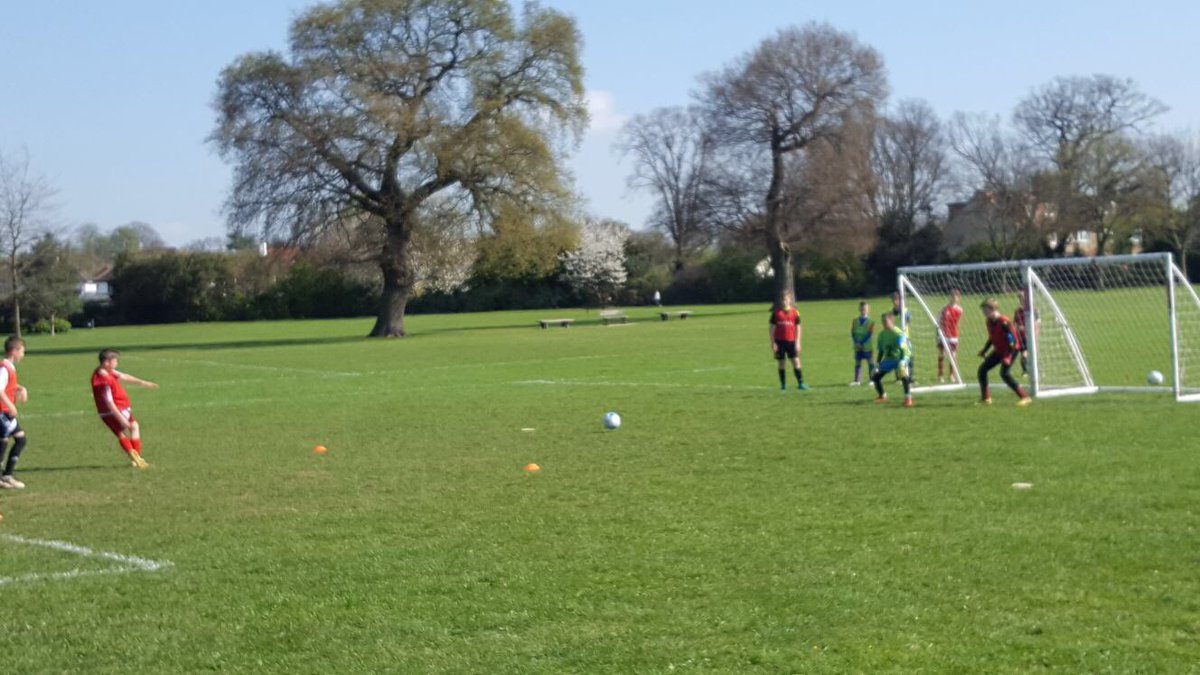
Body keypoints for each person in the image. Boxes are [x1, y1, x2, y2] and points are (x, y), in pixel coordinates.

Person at [91, 348, 158, 468]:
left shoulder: (108, 372)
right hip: (112, 411)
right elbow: (109, 401)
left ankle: (136, 459)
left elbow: (124, 376)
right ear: (106, 362)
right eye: (114, 360)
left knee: (134, 426)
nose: (117, 363)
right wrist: (121, 418)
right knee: (121, 433)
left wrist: (142, 382)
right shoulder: (103, 380)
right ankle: (137, 459)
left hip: (122, 407)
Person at [978, 299, 1032, 406]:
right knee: (982, 370)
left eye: (985, 310)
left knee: (1004, 374)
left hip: (1011, 350)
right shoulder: (989, 321)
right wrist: (984, 350)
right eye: (983, 310)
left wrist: (1008, 356)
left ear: (993, 309)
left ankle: (1025, 397)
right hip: (999, 350)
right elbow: (992, 337)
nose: (983, 312)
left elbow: (1012, 340)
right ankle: (986, 399)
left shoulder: (1004, 321)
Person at [0, 336, 29, 489]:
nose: (23, 355)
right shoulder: (4, 367)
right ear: (14, 351)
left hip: (4, 411)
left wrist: (20, 388)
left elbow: (8, 385)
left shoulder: (9, 367)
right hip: (2, 412)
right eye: (22, 351)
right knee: (18, 439)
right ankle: (6, 476)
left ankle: (5, 476)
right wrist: (10, 405)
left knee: (6, 440)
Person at [871, 313, 913, 407]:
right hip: (890, 359)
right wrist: (877, 363)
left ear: (891, 321)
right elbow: (881, 351)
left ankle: (908, 398)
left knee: (902, 372)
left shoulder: (898, 333)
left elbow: (904, 350)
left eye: (885, 321)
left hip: (902, 356)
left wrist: (902, 363)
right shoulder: (882, 335)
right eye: (882, 321)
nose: (884, 323)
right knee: (875, 376)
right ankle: (882, 396)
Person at [770, 290, 807, 390]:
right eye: (782, 300)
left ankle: (801, 383)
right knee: (781, 363)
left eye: (786, 299)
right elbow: (772, 328)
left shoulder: (795, 312)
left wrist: (798, 341)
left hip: (791, 341)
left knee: (796, 361)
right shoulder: (776, 313)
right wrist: (773, 342)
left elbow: (798, 327)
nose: (784, 302)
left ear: (790, 300)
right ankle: (783, 385)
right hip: (779, 341)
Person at [937, 290, 964, 383]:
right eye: (952, 296)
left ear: (958, 299)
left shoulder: (960, 310)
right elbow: (939, 320)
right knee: (942, 355)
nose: (953, 298)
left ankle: (951, 375)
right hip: (944, 335)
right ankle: (940, 375)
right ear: (949, 297)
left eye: (956, 297)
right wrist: (940, 332)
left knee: (953, 355)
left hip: (954, 335)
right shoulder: (944, 309)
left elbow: (958, 322)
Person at [1013, 292, 1039, 376]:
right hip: (1022, 337)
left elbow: (1037, 322)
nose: (1022, 301)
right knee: (1024, 354)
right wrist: (1018, 327)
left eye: (1024, 299)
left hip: (1031, 336)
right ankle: (1026, 370)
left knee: (1028, 354)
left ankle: (1031, 370)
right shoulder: (1017, 311)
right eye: (1021, 299)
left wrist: (1031, 330)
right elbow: (1015, 324)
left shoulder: (1033, 310)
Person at [849, 302, 875, 386]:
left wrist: (862, 342)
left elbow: (869, 334)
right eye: (862, 308)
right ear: (859, 309)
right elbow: (852, 332)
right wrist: (856, 342)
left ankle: (872, 379)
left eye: (865, 309)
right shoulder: (855, 320)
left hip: (867, 346)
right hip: (857, 345)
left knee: (870, 362)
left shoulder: (871, 321)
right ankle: (857, 380)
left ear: (868, 310)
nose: (863, 310)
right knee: (857, 362)